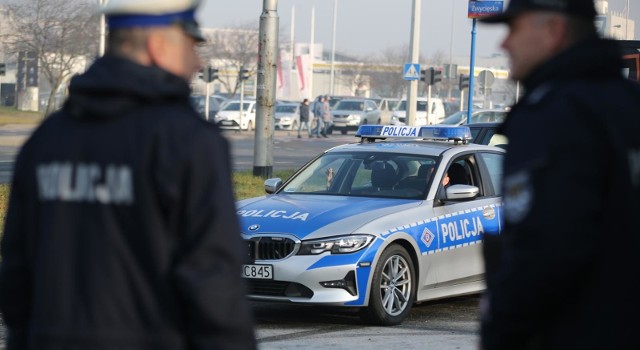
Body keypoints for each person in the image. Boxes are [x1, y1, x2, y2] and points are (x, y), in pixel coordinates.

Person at [0, 0, 257, 349]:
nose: (197, 64)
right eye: (191, 47)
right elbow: (213, 282)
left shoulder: (47, 140)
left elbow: (16, 273)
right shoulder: (189, 143)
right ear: (157, 46)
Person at [478, 0, 640, 349]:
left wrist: (500, 331)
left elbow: (545, 250)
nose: (504, 44)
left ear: (554, 30)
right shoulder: (629, 105)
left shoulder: (554, 115)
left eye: (514, 28)